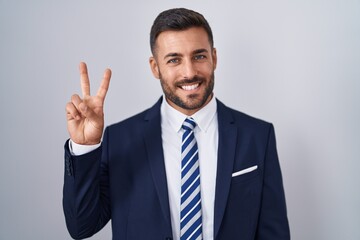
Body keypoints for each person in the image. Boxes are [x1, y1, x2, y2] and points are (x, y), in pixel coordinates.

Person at [63, 8, 290, 240]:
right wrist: (85, 147)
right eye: (174, 60)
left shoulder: (258, 137)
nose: (189, 72)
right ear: (155, 67)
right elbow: (81, 227)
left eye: (199, 56)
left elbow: (274, 234)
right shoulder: (120, 139)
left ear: (214, 58)